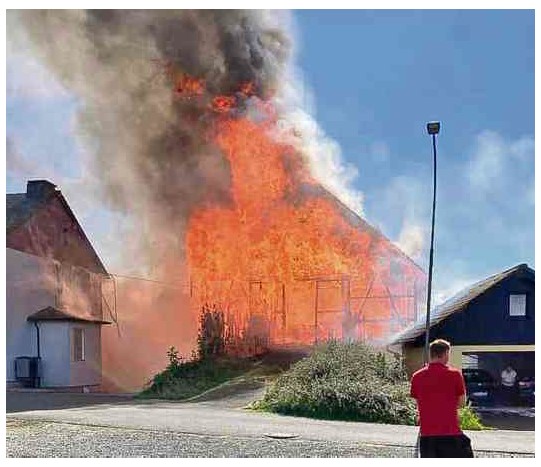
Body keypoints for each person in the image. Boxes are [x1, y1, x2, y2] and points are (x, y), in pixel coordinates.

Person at [410, 339, 474, 458]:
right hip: (450, 432)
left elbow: (417, 402)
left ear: (431, 354)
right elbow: (461, 403)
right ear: (445, 354)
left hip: (427, 435)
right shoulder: (455, 374)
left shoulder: (417, 376)